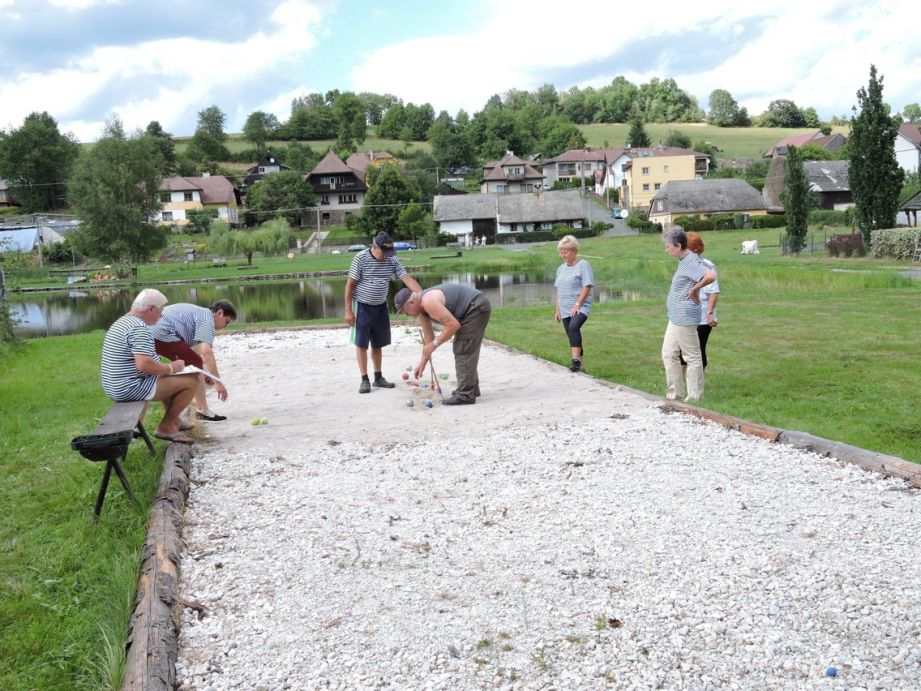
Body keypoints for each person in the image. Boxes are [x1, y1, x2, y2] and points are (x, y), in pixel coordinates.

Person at [100, 288, 198, 444]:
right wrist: (172, 368)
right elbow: (144, 364)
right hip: (129, 387)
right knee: (192, 381)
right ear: (151, 308)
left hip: (115, 385)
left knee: (169, 377)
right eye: (160, 311)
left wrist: (167, 370)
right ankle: (165, 427)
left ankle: (175, 421)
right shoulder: (139, 328)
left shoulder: (123, 321)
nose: (161, 316)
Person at [344, 230, 422, 394]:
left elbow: (407, 279)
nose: (387, 256)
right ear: (374, 247)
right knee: (361, 344)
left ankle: (378, 377)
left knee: (378, 343)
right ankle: (364, 379)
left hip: (380, 306)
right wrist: (348, 311)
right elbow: (350, 285)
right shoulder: (360, 258)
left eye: (389, 252)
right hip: (362, 306)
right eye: (384, 252)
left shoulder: (392, 259)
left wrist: (423, 297)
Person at [394, 284, 491, 405]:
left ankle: (466, 395)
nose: (406, 314)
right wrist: (422, 363)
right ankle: (471, 389)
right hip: (471, 306)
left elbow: (453, 325)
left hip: (475, 306)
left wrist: (435, 344)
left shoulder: (429, 302)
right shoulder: (422, 311)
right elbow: (429, 339)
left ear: (412, 302)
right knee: (464, 346)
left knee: (463, 347)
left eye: (404, 310)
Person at [152, 300, 236, 422]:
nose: (225, 327)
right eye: (226, 322)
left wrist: (205, 371)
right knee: (195, 363)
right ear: (219, 313)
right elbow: (206, 352)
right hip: (160, 332)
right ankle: (202, 410)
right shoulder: (207, 319)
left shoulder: (199, 313)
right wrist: (218, 382)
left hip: (151, 331)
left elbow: (188, 355)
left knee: (194, 362)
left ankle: (177, 418)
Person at [661, 226, 716, 402]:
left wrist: (695, 288)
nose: (666, 250)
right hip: (675, 317)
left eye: (668, 246)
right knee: (668, 354)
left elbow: (710, 276)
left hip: (684, 317)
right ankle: (675, 394)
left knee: (691, 356)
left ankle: (694, 397)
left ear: (677, 246)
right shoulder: (686, 260)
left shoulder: (690, 261)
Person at [554, 234, 594, 372]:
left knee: (573, 327)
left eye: (566, 251)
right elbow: (559, 290)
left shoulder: (583, 265)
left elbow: (587, 286)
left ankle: (575, 361)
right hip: (564, 308)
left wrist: (578, 304)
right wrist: (557, 310)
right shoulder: (560, 269)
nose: (563, 254)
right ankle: (580, 364)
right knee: (572, 333)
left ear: (574, 250)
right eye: (561, 252)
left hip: (580, 306)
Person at [683, 232, 719, 369]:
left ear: (695, 249)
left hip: (703, 316)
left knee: (698, 349)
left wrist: (709, 314)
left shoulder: (706, 266)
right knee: (683, 350)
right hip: (687, 314)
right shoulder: (686, 264)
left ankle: (698, 382)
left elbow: (713, 292)